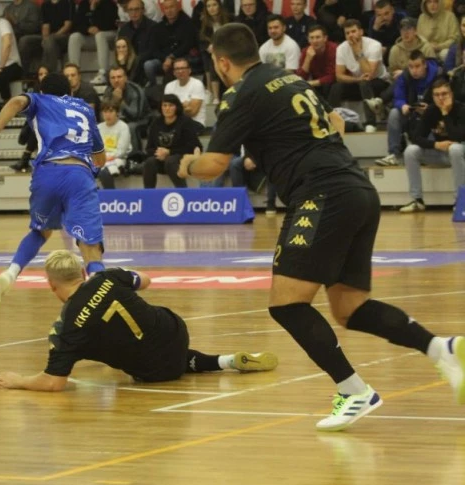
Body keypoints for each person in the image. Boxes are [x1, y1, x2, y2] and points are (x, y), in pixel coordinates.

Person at [178, 22, 465, 431]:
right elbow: (335, 121)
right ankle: (442, 349)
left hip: (321, 194)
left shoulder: (240, 94)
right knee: (350, 308)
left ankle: (354, 390)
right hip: (357, 189)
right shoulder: (289, 80)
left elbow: (214, 166)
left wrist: (183, 162)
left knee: (286, 304)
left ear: (222, 62)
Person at [0, 250, 279, 390]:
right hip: (175, 331)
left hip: (153, 372)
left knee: (102, 348)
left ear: (51, 285)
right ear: (82, 273)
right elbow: (147, 280)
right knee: (162, 347)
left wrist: (19, 381)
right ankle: (227, 361)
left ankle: (225, 362)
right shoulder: (106, 276)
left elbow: (54, 384)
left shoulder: (65, 328)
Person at [0, 73, 107, 308]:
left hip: (47, 172)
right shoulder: (85, 109)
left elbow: (16, 102)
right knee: (90, 243)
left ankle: (10, 273)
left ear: (42, 90)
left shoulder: (40, 100)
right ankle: (100, 294)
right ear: (69, 91)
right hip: (78, 174)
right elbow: (100, 158)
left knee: (41, 232)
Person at [400, 79, 465, 212]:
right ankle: (417, 200)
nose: (441, 98)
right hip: (441, 152)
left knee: (455, 148)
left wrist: (445, 113)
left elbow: (458, 137)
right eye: (437, 95)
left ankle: (461, 201)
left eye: (444, 94)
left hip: (460, 152)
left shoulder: (461, 109)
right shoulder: (431, 110)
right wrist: (436, 144)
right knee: (410, 151)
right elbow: (416, 137)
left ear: (451, 94)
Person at [375, 50, 439, 167]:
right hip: (411, 112)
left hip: (431, 116)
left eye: (417, 66)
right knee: (394, 113)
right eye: (411, 67)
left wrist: (430, 108)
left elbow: (443, 99)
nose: (414, 70)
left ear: (425, 64)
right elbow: (398, 97)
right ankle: (393, 155)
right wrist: (402, 105)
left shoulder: (437, 75)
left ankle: (428, 156)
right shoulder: (405, 76)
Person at [142, 94, 201, 188]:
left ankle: (183, 192)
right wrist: (158, 153)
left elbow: (193, 146)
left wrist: (169, 152)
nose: (167, 108)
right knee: (149, 162)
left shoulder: (185, 122)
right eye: (164, 105)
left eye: (170, 105)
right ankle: (148, 194)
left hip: (182, 158)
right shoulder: (156, 123)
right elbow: (149, 148)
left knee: (171, 161)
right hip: (162, 159)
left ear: (176, 107)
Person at [97, 99, 131, 189]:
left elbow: (121, 151)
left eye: (111, 111)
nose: (108, 115)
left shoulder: (123, 127)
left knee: (104, 172)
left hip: (118, 159)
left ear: (117, 113)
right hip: (100, 159)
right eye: (105, 111)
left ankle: (111, 197)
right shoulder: (98, 128)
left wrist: (107, 157)